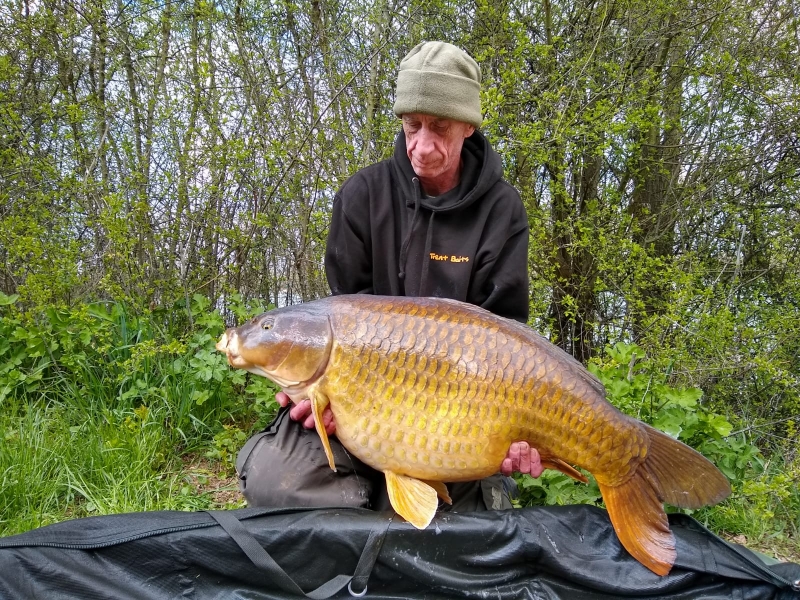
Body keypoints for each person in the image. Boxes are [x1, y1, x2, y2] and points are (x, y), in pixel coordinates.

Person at [235, 41, 543, 513]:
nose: (421, 145)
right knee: (275, 481)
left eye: (438, 128)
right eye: (412, 125)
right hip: (366, 404)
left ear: (468, 125)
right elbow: (341, 315)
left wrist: (517, 430)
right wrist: (318, 393)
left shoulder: (502, 211)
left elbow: (507, 336)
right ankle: (373, 493)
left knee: (458, 528)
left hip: (460, 411)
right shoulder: (362, 196)